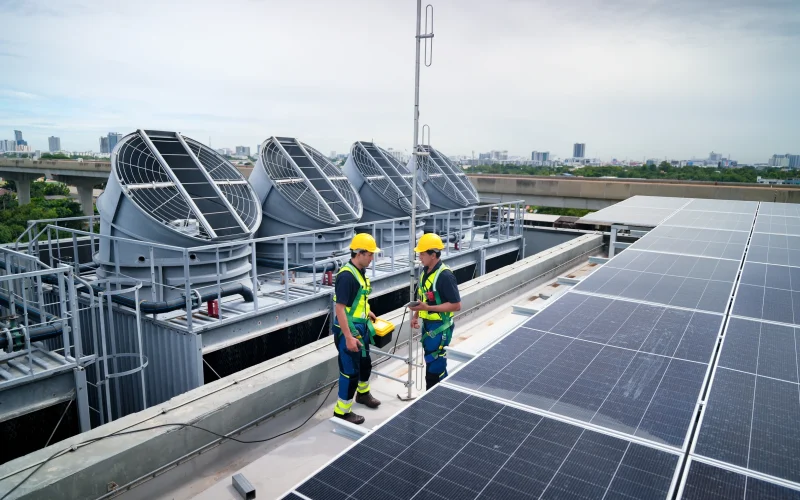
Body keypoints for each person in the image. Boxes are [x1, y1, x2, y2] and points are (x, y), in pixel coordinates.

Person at [331, 233, 382, 424]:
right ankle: (342, 412)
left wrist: (367, 312)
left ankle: (363, 394)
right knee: (349, 371)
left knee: (364, 363)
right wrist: (349, 337)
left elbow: (357, 300)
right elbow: (340, 308)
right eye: (370, 254)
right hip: (349, 331)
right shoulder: (346, 276)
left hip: (360, 327)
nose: (372, 258)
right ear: (359, 253)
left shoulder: (359, 271)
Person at [409, 233, 462, 390]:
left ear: (433, 255)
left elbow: (456, 305)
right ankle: (443, 392)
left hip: (440, 326)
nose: (420, 257)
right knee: (432, 361)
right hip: (429, 325)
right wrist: (416, 315)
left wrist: (428, 308)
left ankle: (434, 399)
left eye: (423, 254)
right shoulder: (425, 272)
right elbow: (423, 297)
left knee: (434, 365)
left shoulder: (445, 276)